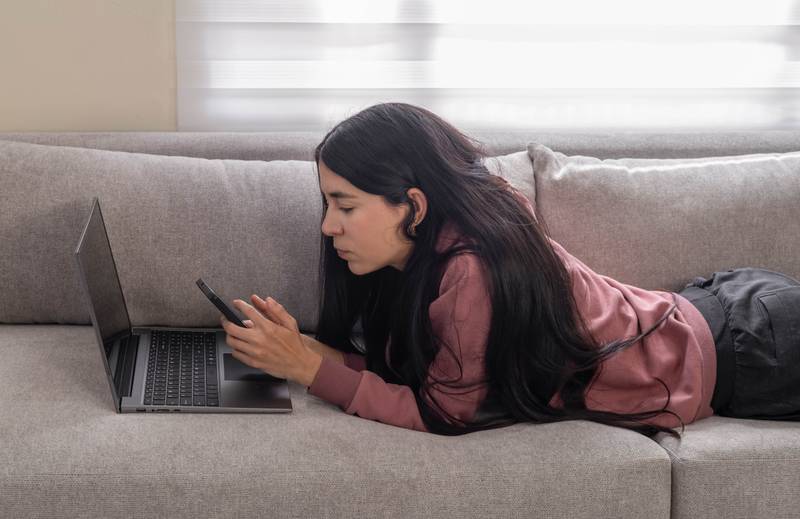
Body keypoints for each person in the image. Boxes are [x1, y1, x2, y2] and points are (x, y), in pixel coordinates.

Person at [221, 102, 800, 438]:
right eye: (328, 204)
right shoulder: (426, 256)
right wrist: (299, 349)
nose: (328, 227)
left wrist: (304, 366)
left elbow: (442, 412)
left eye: (345, 206)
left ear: (414, 206)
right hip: (721, 309)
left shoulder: (474, 268)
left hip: (754, 355)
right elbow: (403, 374)